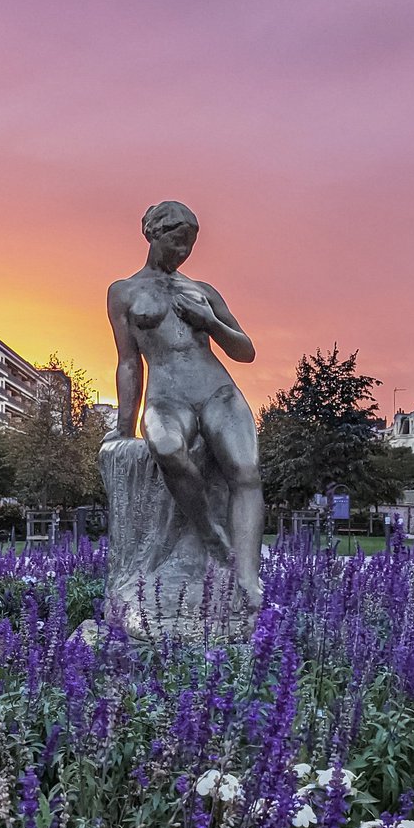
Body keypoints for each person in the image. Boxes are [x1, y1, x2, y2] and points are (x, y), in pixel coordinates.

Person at [104, 200, 264, 609]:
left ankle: (246, 576)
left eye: (189, 246)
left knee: (245, 471)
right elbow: (127, 361)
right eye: (177, 243)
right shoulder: (123, 292)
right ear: (154, 233)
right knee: (167, 447)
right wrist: (124, 425)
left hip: (216, 390)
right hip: (167, 395)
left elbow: (245, 351)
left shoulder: (203, 291)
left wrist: (209, 321)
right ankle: (209, 530)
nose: (183, 253)